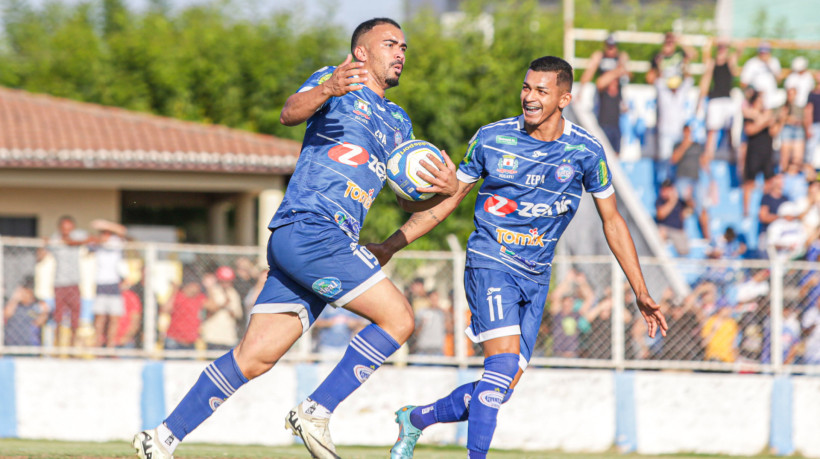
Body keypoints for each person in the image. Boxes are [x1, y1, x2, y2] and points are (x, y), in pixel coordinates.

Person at [133, 18, 458, 459]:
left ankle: (161, 438)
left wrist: (439, 187)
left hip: (321, 242)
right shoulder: (336, 80)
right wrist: (328, 89)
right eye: (389, 44)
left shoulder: (399, 121)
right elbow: (289, 113)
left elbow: (408, 204)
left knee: (255, 357)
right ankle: (316, 410)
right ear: (361, 52)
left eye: (403, 46)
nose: (400, 52)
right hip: (311, 227)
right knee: (399, 318)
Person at [368, 56, 667, 459]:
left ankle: (416, 419)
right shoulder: (491, 139)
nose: (529, 97)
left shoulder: (585, 150)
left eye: (541, 91)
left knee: (499, 389)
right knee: (501, 370)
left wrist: (641, 290)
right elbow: (446, 203)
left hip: (537, 276)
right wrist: (390, 246)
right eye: (526, 87)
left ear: (565, 98)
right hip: (490, 262)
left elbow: (612, 222)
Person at [579, 33, 630, 153]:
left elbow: (628, 76)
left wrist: (622, 65)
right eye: (609, 45)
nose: (611, 48)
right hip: (603, 110)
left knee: (616, 151)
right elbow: (597, 81)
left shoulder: (620, 58)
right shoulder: (600, 57)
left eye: (613, 46)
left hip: (616, 112)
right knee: (603, 149)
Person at [47, 215, 88, 347]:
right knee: (58, 318)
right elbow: (44, 248)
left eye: (69, 228)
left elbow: (90, 239)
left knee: (75, 318)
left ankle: (73, 347)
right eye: (64, 228)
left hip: (74, 282)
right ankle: (58, 346)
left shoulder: (78, 236)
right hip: (59, 283)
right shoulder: (54, 239)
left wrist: (71, 242)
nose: (66, 231)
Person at [698, 37, 741, 162]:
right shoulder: (712, 63)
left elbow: (739, 50)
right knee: (712, 132)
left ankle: (733, 156)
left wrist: (728, 42)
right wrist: (714, 41)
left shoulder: (730, 62)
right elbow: (705, 52)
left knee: (731, 131)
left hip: (727, 100)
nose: (722, 50)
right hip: (715, 100)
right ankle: (708, 156)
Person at [743, 91, 783, 217]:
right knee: (750, 182)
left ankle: (764, 208)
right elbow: (749, 130)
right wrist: (764, 121)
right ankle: (746, 212)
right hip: (753, 152)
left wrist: (780, 120)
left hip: (767, 152)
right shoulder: (751, 114)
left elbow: (773, 132)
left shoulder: (765, 114)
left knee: (768, 181)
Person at [88, 219, 127, 348]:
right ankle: (98, 345)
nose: (105, 235)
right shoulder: (97, 244)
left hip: (114, 284)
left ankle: (110, 346)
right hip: (100, 284)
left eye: (107, 233)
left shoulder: (115, 242)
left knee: (114, 318)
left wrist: (105, 224)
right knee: (100, 318)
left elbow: (123, 231)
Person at [161, 269, 206, 351]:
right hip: (174, 340)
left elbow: (213, 305)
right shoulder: (179, 296)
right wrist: (174, 291)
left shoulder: (199, 298)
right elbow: (165, 309)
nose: (198, 288)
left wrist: (210, 287)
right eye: (196, 285)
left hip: (190, 342)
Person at [3, 276, 49, 347]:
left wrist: (44, 313)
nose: (25, 294)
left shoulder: (36, 306)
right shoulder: (15, 305)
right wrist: (14, 299)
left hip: (29, 345)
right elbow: (6, 314)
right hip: (10, 345)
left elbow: (38, 323)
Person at [740, 42, 783, 110]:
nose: (764, 55)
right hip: (756, 101)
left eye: (766, 53)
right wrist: (754, 93)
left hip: (771, 100)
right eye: (762, 53)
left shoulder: (774, 62)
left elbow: (779, 81)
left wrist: (770, 66)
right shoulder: (751, 63)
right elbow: (743, 83)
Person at [655, 178, 690, 257]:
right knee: (661, 232)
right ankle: (661, 256)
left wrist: (688, 197)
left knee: (685, 251)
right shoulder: (660, 201)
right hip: (666, 229)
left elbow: (689, 210)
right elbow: (660, 215)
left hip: (678, 230)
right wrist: (671, 201)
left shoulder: (680, 202)